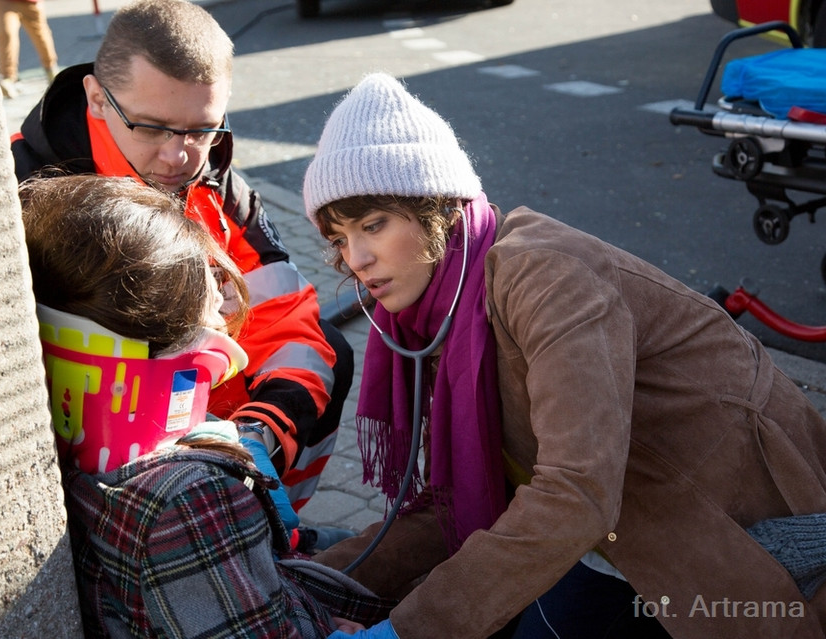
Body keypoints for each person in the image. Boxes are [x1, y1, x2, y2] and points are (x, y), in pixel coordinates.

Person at [300, 73, 826, 638]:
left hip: (731, 536)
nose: (356, 258)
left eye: (373, 225)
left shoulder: (545, 274)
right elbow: (449, 504)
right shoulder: (435, 303)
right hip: (617, 534)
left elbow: (575, 492)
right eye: (338, 238)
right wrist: (312, 583)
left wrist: (409, 629)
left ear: (438, 209)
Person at [9, 0, 354, 546]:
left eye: (201, 129)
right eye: (153, 128)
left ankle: (270, 532)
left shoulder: (216, 179)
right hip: (93, 436)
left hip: (206, 415)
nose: (178, 156)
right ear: (97, 99)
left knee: (332, 351)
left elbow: (286, 315)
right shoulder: (21, 190)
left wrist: (261, 432)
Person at [20, 174, 392, 637]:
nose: (223, 301)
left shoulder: (73, 450)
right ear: (182, 344)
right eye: (208, 293)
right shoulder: (188, 498)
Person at [0, 0, 59, 99]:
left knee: (41, 35)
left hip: (31, 2)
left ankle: (51, 69)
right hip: (4, 2)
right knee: (7, 33)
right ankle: (7, 77)